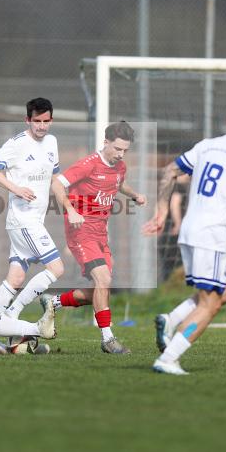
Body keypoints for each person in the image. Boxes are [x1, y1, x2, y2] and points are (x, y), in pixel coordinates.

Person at [143, 98, 226, 375]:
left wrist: (162, 210)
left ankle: (170, 320)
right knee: (211, 304)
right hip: (210, 235)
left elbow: (170, 171)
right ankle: (168, 358)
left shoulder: (207, 145)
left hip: (190, 230)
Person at [43, 121, 146, 355]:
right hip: (81, 231)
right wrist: (70, 210)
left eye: (125, 150)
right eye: (117, 149)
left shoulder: (120, 167)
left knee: (102, 288)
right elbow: (57, 183)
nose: (121, 154)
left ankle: (53, 302)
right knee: (103, 280)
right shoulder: (89, 164)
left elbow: (120, 183)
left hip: (101, 233)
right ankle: (108, 339)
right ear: (106, 142)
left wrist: (135, 195)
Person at [0, 97, 63, 353]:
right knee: (56, 268)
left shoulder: (52, 142)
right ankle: (13, 314)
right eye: (37, 121)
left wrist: (70, 206)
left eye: (46, 121)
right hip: (23, 220)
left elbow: (55, 178)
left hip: (33, 220)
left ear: (51, 120)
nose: (42, 126)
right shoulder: (16, 144)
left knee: (16, 277)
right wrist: (15, 188)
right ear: (28, 120)